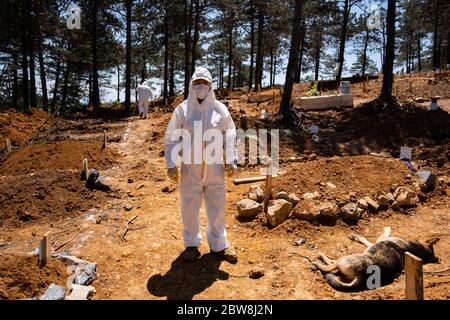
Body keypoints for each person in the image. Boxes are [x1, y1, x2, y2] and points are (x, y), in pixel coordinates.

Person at [164, 67, 238, 263]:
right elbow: (172, 136)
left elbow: (229, 135)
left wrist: (231, 160)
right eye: (197, 83)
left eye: (204, 83)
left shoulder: (220, 109)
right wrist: (171, 164)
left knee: (217, 205)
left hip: (215, 167)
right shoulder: (182, 110)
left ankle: (219, 245)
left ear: (210, 86)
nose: (201, 87)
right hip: (190, 167)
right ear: (191, 85)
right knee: (189, 206)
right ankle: (191, 245)